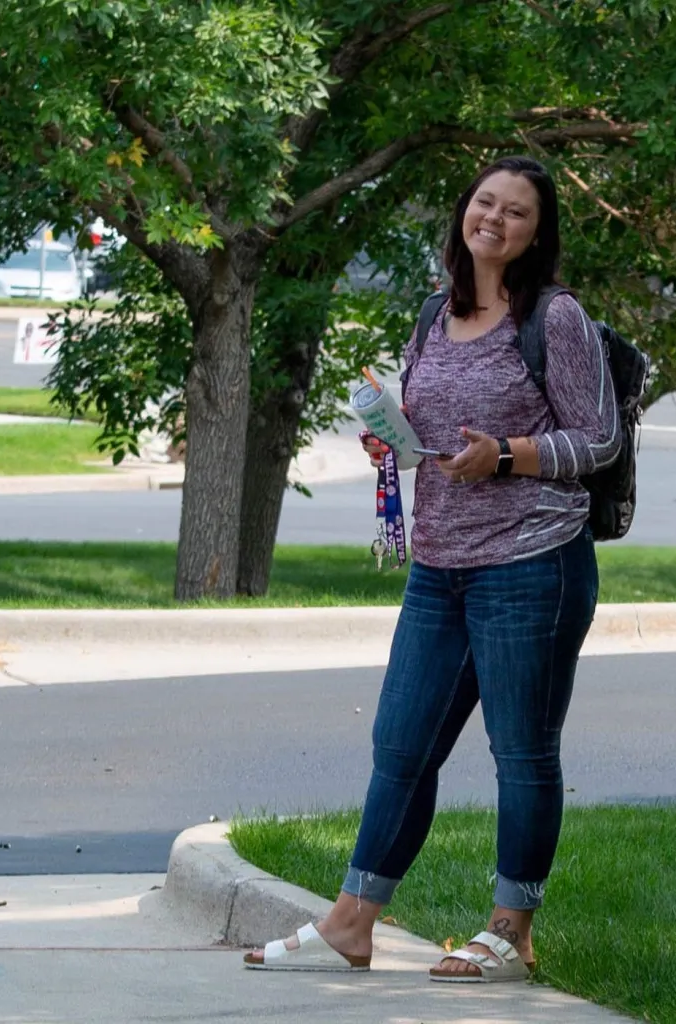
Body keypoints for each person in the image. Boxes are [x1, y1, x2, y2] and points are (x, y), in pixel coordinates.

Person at [243, 156, 621, 982]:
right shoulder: (433, 312)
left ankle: (510, 929)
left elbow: (598, 439)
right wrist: (392, 438)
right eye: (485, 202)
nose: (495, 219)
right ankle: (353, 919)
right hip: (439, 565)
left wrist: (510, 456)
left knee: (521, 751)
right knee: (400, 746)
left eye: (516, 211)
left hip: (532, 565)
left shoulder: (555, 317)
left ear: (536, 230)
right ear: (464, 212)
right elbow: (429, 427)